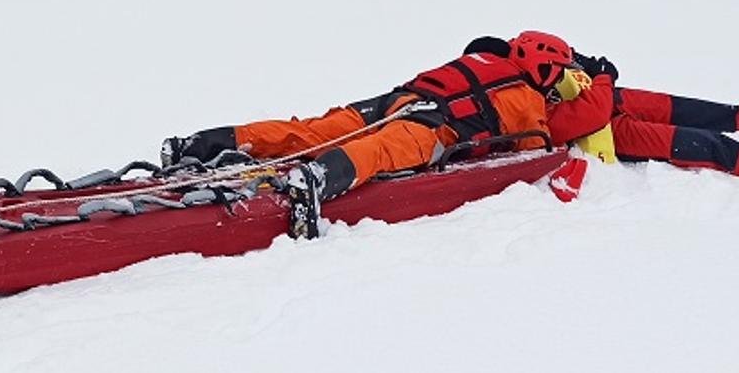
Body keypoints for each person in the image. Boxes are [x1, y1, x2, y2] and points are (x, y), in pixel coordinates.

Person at [164, 31, 616, 238]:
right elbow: (536, 148)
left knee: (309, 130)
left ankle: (202, 144)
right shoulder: (527, 98)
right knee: (381, 150)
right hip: (433, 125)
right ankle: (318, 179)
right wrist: (597, 84)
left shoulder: (480, 60)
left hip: (394, 101)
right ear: (546, 68)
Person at [566, 52, 739, 183]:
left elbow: (564, 58)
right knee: (710, 145)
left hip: (606, 96)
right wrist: (603, 77)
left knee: (711, 113)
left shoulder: (534, 45)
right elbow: (582, 118)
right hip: (600, 129)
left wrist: (590, 67)